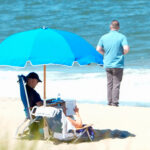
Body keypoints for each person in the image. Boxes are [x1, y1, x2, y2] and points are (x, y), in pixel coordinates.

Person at [96, 20, 130, 106]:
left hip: (107, 63)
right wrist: (122, 53)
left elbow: (98, 49)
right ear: (118, 27)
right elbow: (126, 49)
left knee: (109, 84)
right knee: (116, 84)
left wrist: (105, 54)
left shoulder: (104, 37)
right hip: (118, 63)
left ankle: (109, 102)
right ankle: (115, 103)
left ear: (110, 27)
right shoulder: (122, 37)